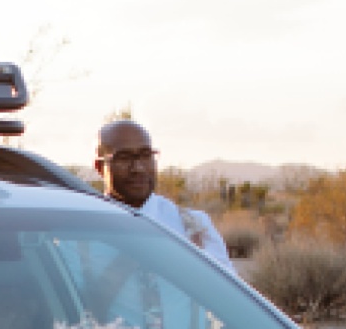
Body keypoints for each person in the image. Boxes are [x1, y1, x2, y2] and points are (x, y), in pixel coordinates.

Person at [94, 119, 238, 277]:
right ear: (100, 167)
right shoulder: (82, 234)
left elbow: (224, 294)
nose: (138, 168)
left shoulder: (194, 227)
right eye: (124, 158)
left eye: (145, 155)